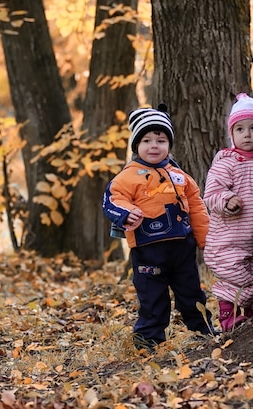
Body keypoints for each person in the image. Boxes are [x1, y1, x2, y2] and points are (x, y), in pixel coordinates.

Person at [102, 104, 215, 349]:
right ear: (136, 146)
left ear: (169, 145)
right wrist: (125, 214)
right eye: (147, 140)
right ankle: (147, 341)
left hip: (182, 250)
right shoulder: (128, 176)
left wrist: (206, 240)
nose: (154, 145)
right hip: (147, 251)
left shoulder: (180, 176)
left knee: (192, 294)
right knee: (153, 300)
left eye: (161, 140)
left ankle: (204, 332)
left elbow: (196, 207)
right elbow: (112, 199)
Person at [203, 93, 253, 332]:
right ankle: (228, 319)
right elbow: (212, 193)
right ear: (232, 134)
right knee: (237, 278)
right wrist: (227, 200)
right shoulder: (227, 162)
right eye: (240, 129)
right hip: (231, 237)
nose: (247, 134)